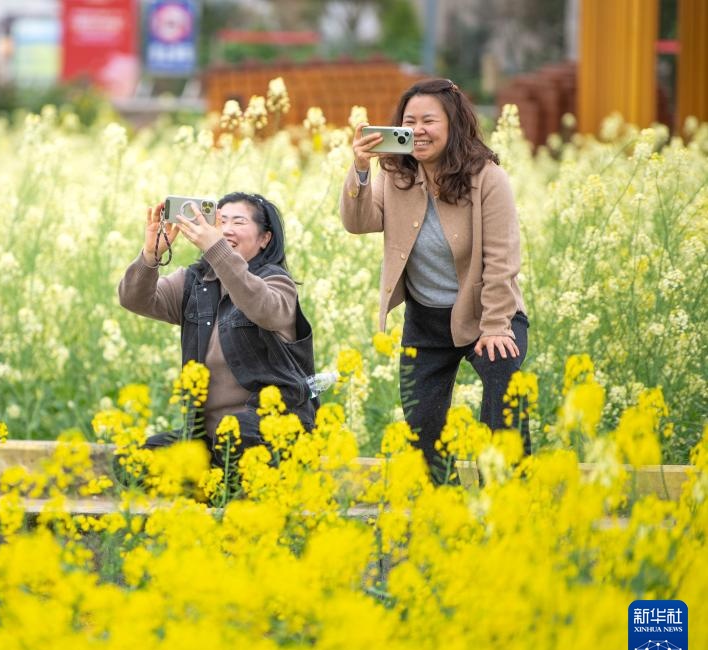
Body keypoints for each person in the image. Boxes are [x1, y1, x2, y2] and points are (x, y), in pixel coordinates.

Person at [339, 78, 530, 485]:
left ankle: (510, 500)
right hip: (425, 319)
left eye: (429, 120)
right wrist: (360, 167)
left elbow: (502, 258)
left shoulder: (487, 177)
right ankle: (442, 509)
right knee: (422, 424)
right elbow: (358, 223)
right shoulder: (396, 173)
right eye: (410, 121)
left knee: (504, 403)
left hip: (488, 313)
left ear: (454, 124)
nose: (418, 129)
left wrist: (497, 325)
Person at [118, 192, 316, 467]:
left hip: (268, 431)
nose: (226, 230)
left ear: (264, 238)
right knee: (133, 462)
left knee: (235, 434)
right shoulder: (194, 282)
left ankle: (221, 484)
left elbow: (263, 308)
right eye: (220, 221)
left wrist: (217, 250)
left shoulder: (277, 283)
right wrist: (150, 256)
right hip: (207, 440)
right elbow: (134, 299)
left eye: (238, 221)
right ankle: (212, 482)